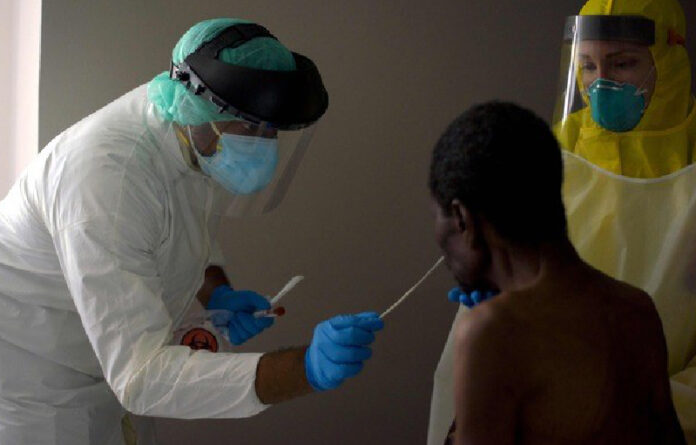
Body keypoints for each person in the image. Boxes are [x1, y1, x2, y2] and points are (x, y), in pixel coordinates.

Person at [0, 18, 384, 445]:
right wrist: (303, 369)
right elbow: (142, 378)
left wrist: (215, 292)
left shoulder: (188, 131)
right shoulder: (107, 178)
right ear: (202, 106)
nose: (265, 143)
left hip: (105, 363)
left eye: (273, 130)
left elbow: (175, 223)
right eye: (253, 127)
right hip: (38, 387)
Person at [428, 0, 696, 443]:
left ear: (669, 59)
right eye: (587, 65)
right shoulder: (547, 157)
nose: (601, 83)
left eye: (623, 63)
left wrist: (611, 406)